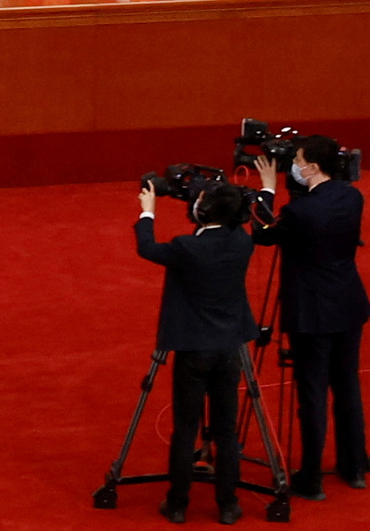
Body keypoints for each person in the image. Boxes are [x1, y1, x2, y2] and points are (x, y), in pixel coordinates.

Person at [134, 177, 259, 522]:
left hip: (193, 350)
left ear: (202, 211)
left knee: (186, 428)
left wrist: (148, 212)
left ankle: (177, 504)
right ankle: (228, 505)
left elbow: (147, 248)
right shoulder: (242, 242)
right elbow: (235, 215)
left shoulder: (187, 247)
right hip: (229, 347)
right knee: (226, 430)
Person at [264, 135, 370, 496]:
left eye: (297, 160)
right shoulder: (352, 197)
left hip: (311, 312)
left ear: (311, 167)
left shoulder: (299, 212)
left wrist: (267, 191)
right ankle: (354, 466)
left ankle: (311, 477)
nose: (293, 166)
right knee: (347, 386)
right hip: (347, 303)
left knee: (312, 394)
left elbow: (263, 234)